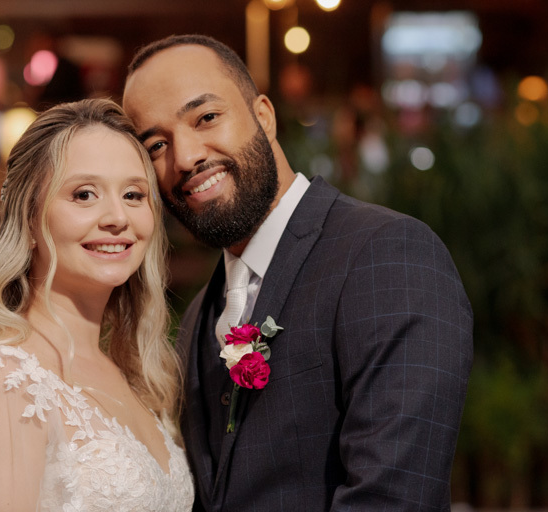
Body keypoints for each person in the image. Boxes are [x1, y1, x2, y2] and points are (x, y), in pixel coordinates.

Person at [122, 35, 474, 511]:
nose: (184, 157)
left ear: (263, 116)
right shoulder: (197, 320)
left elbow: (393, 498)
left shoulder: (387, 255)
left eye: (206, 118)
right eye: (157, 144)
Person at [0, 99, 195, 512]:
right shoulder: (0, 377)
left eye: (134, 194)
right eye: (84, 194)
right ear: (29, 217)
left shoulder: (135, 375)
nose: (117, 217)